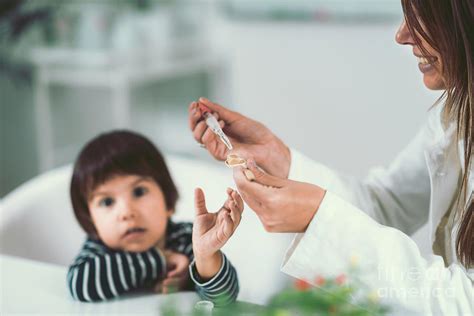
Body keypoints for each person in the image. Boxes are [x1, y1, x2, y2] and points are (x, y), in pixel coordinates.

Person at [188, 0, 473, 314]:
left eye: (424, 19)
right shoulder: (456, 113)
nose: (403, 35)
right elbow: (386, 204)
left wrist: (318, 216)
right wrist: (276, 156)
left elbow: (463, 300)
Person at [67, 130, 243, 305]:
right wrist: (162, 259)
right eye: (107, 202)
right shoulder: (98, 248)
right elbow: (79, 284)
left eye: (139, 191)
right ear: (91, 220)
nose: (126, 212)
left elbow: (225, 299)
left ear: (167, 202)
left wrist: (205, 257)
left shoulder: (186, 238)